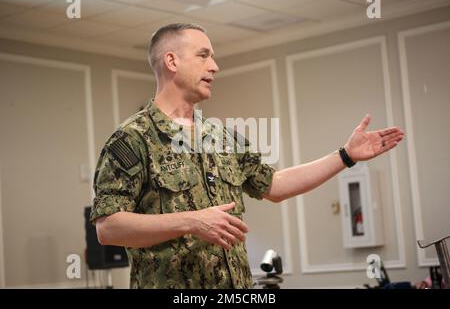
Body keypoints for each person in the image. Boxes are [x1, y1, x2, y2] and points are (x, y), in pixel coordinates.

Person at [90, 23, 405, 289]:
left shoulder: (223, 137)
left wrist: (346, 155)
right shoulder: (133, 139)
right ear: (172, 62)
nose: (215, 66)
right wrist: (191, 221)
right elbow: (108, 228)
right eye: (204, 56)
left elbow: (275, 185)